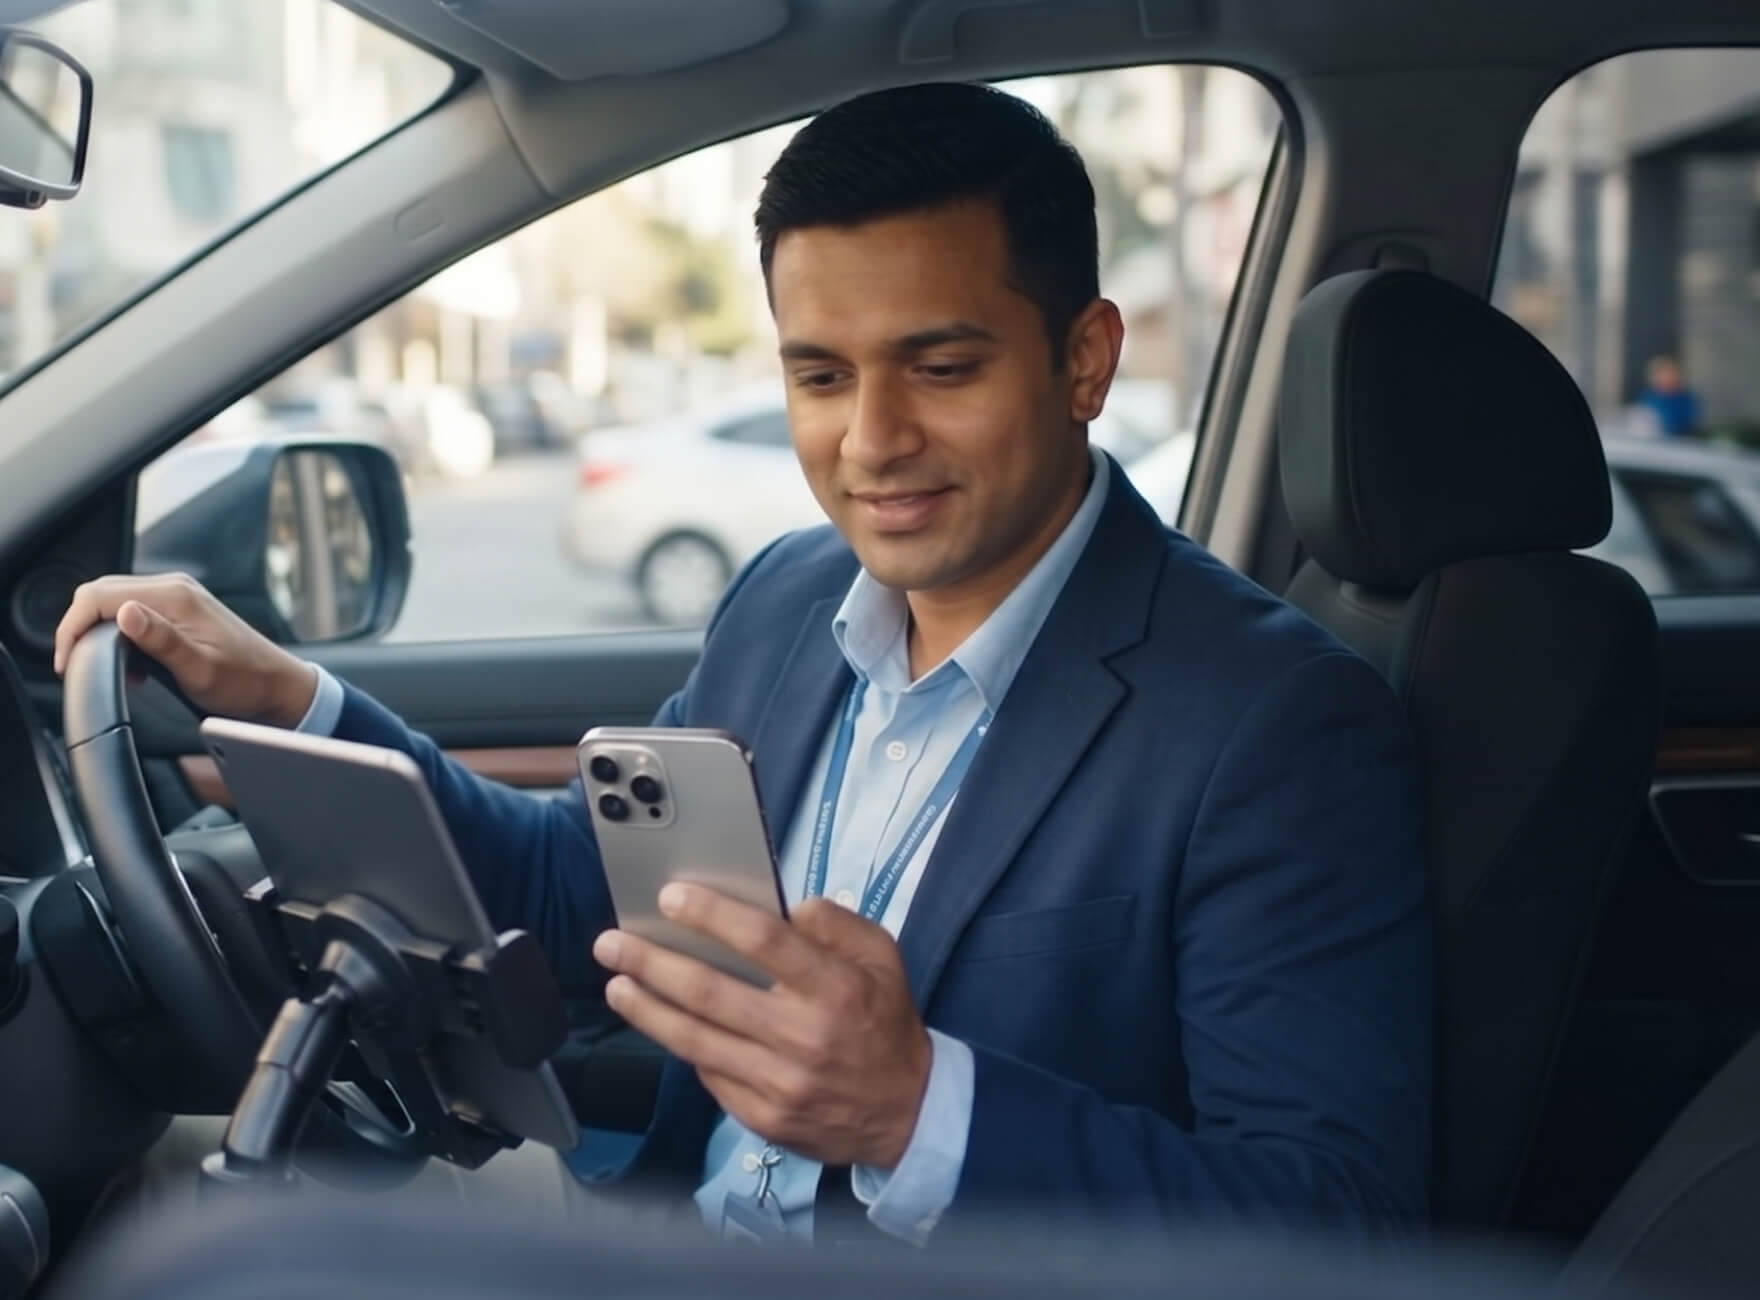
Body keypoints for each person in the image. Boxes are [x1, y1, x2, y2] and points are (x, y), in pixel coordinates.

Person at [56, 83, 1431, 1249]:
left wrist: (916, 1112)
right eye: (820, 377)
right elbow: (577, 894)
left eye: (940, 368)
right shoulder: (785, 601)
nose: (871, 440)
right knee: (180, 1215)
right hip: (664, 1235)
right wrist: (290, 699)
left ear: (1083, 361)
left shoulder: (1276, 725)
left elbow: (1334, 1221)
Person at [1638, 355, 1701, 439]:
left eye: (1672, 374)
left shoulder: (1686, 399)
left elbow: (1685, 424)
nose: (1669, 378)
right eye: (1664, 375)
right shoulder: (1648, 398)